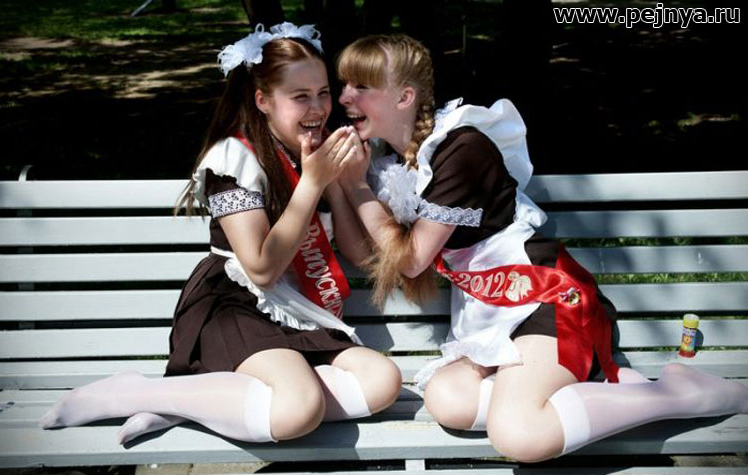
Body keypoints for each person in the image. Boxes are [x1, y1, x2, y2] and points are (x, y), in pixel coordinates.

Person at [335, 33, 748, 462]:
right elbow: (364, 253)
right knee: (450, 399)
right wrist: (336, 183)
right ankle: (589, 392)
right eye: (344, 84)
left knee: (519, 435)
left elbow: (412, 260)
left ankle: (677, 394)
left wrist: (357, 187)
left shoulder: (460, 146)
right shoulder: (394, 162)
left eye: (361, 86)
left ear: (404, 97)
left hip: (547, 300)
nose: (345, 96)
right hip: (488, 315)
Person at [39, 23, 401, 445]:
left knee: (382, 381)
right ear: (263, 100)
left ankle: (191, 403)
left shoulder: (318, 153)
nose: (318, 108)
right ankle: (131, 392)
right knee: (298, 409)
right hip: (235, 305)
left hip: (298, 307)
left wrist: (343, 183)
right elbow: (261, 269)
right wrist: (312, 184)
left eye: (323, 93)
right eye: (300, 96)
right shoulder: (233, 158)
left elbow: (359, 256)